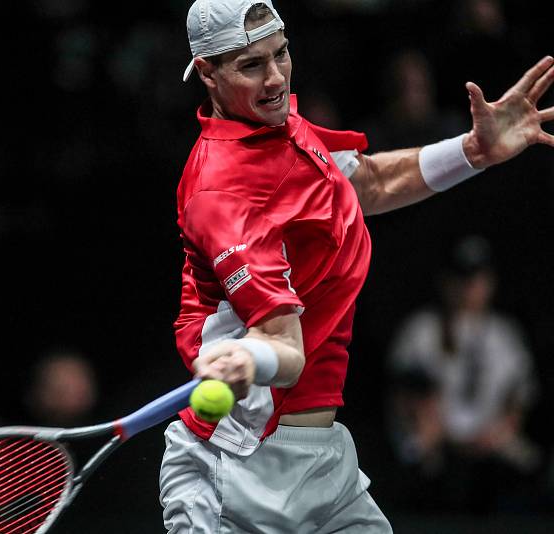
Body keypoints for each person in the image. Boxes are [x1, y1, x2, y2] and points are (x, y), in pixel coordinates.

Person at [159, 1, 553, 532]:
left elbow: (364, 182)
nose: (275, 78)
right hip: (236, 469)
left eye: (281, 55)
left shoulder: (281, 126)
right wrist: (250, 357)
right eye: (251, 66)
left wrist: (474, 151)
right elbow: (286, 352)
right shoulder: (223, 195)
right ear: (207, 72)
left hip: (321, 461)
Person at [387, 235, 541, 513]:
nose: (468, 287)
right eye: (461, 278)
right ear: (446, 282)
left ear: (490, 282)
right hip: (436, 442)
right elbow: (405, 394)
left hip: (491, 440)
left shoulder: (505, 334)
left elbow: (520, 398)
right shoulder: (421, 329)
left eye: (476, 278)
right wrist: (437, 430)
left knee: (527, 466)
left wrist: (500, 430)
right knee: (415, 459)